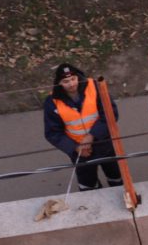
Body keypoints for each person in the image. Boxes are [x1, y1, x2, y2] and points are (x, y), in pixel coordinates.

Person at [43, 63, 124, 192]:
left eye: (73, 79)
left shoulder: (95, 87)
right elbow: (53, 133)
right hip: (80, 152)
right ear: (58, 83)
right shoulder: (52, 102)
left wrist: (92, 136)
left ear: (78, 77)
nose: (71, 84)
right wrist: (75, 147)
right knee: (88, 187)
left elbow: (110, 114)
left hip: (105, 144)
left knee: (116, 177)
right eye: (65, 81)